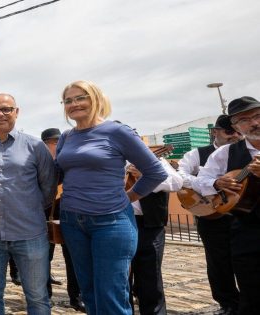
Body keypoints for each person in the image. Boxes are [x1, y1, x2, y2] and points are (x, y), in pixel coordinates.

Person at [55, 81, 167, 314]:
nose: (74, 104)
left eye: (80, 97)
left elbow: (155, 172)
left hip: (111, 222)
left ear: (95, 99)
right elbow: (58, 174)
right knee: (88, 291)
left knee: (111, 295)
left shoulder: (118, 131)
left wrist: (129, 196)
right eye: (68, 100)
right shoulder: (66, 137)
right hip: (72, 222)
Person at [0, 94, 56, 315]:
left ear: (17, 112)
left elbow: (49, 189)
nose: (1, 114)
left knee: (37, 296)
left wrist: (25, 208)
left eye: (6, 109)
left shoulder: (36, 146)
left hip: (30, 233)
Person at [194, 96, 260, 315]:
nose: (254, 123)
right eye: (244, 120)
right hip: (246, 232)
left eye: (257, 116)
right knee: (251, 293)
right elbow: (201, 181)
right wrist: (216, 182)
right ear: (235, 126)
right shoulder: (224, 154)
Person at [177, 114, 241, 315]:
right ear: (215, 132)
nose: (235, 136)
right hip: (212, 214)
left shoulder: (248, 151)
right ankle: (228, 304)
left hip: (244, 213)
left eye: (238, 131)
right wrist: (209, 184)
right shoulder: (197, 154)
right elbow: (180, 176)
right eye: (229, 131)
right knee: (218, 262)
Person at [127, 154, 183, 315]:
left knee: (150, 274)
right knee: (120, 276)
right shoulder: (108, 158)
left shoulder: (155, 159)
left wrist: (146, 176)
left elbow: (176, 182)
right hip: (117, 221)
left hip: (148, 223)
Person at [41, 127, 84, 312]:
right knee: (43, 258)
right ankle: (44, 296)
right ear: (46, 144)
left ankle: (76, 297)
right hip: (42, 215)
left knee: (73, 258)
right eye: (54, 142)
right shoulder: (39, 162)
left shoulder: (68, 163)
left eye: (60, 142)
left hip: (68, 214)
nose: (58, 145)